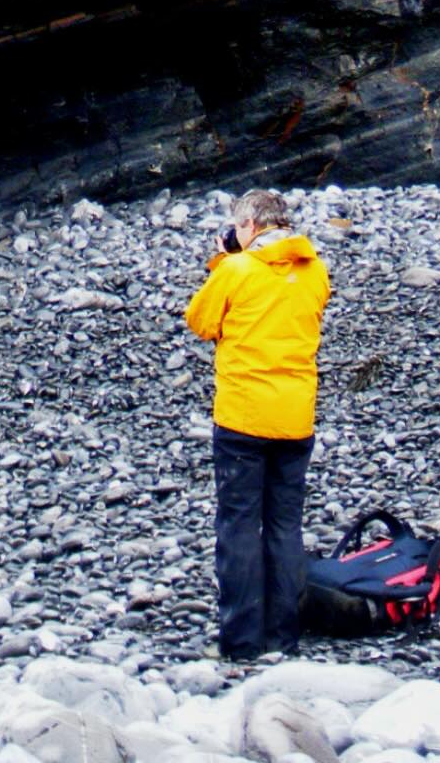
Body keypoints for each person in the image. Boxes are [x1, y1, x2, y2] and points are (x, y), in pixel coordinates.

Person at [184, 188, 331, 661]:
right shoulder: (315, 271)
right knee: (285, 526)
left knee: (240, 526)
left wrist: (223, 260)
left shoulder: (237, 268)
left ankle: (242, 643)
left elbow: (200, 321)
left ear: (247, 226)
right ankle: (282, 638)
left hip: (244, 418)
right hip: (295, 418)